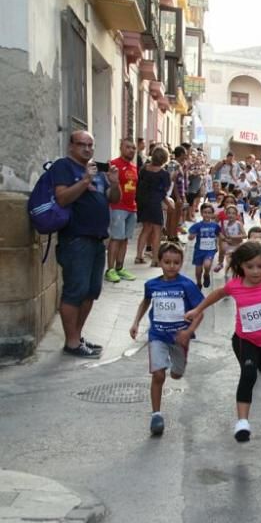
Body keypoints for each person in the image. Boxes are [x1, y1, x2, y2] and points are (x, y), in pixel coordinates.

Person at [184, 241, 261, 442]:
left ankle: (260, 367)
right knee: (248, 374)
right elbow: (217, 294)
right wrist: (197, 309)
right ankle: (242, 422)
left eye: (260, 266)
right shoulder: (236, 285)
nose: (255, 271)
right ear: (241, 266)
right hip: (244, 339)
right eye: (250, 267)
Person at [51, 130, 122, 358]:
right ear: (71, 145)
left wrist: (115, 183)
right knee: (75, 291)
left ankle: (77, 337)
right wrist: (85, 181)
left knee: (91, 291)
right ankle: (71, 342)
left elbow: (113, 198)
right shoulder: (64, 167)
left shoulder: (96, 170)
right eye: (82, 144)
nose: (87, 149)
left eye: (90, 145)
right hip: (76, 239)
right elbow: (62, 198)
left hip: (97, 240)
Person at [129, 242, 204, 436]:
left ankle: (179, 364)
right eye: (167, 262)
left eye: (176, 262)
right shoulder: (152, 284)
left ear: (181, 263)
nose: (171, 266)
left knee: (176, 374)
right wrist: (136, 322)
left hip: (179, 338)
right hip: (157, 335)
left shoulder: (187, 285)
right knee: (158, 375)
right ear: (159, 261)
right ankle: (156, 414)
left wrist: (188, 333)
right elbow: (145, 302)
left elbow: (199, 313)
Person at [105, 138, 139, 284]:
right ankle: (110, 269)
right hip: (117, 207)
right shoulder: (114, 164)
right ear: (121, 147)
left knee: (125, 239)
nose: (131, 150)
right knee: (116, 238)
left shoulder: (133, 167)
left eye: (133, 148)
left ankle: (120, 267)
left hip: (131, 207)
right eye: (128, 147)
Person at [135, 146, 172, 267]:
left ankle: (139, 256)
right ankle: (155, 259)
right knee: (157, 230)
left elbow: (139, 185)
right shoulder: (164, 174)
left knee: (145, 229)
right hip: (155, 203)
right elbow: (164, 191)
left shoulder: (143, 169)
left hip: (143, 202)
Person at [187, 203, 222, 289]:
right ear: (201, 213)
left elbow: (219, 235)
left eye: (209, 212)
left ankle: (206, 275)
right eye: (205, 212)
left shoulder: (215, 225)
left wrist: (218, 244)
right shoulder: (197, 225)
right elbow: (190, 237)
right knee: (198, 271)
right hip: (199, 250)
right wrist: (191, 236)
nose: (207, 214)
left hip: (210, 250)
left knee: (207, 265)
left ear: (212, 214)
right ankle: (198, 283)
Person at [219, 205, 246, 279]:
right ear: (226, 214)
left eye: (233, 213)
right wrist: (224, 238)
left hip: (238, 246)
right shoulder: (225, 223)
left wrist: (233, 237)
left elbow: (245, 235)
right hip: (229, 246)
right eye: (229, 213)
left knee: (237, 262)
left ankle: (236, 274)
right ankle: (227, 273)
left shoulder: (238, 223)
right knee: (230, 261)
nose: (231, 215)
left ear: (236, 215)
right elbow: (224, 235)